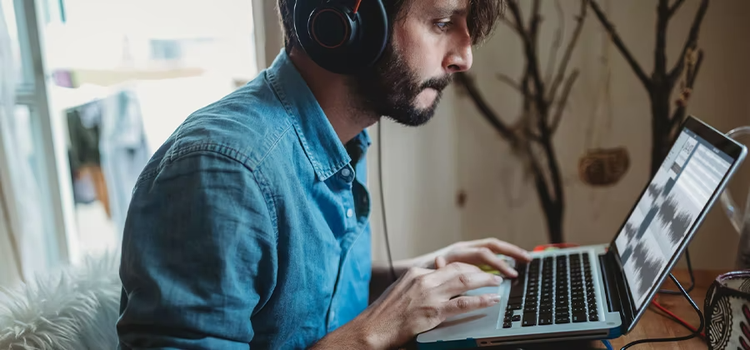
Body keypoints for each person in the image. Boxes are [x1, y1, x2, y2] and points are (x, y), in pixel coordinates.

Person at [116, 0, 532, 349]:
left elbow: (308, 304)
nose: (464, 56)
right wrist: (375, 332)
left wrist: (418, 277)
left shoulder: (341, 138)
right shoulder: (221, 173)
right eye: (442, 22)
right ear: (347, 25)